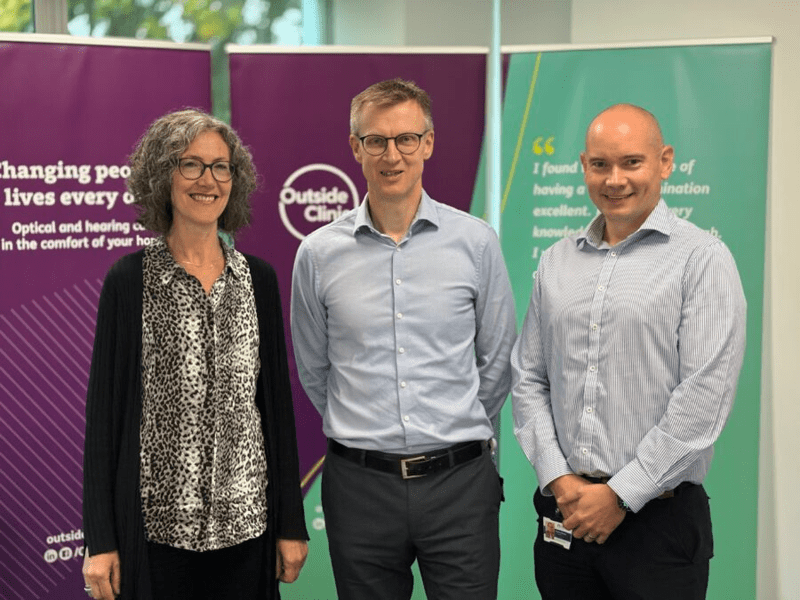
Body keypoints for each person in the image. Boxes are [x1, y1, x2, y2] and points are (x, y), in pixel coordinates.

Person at [290, 78, 516, 600]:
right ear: (356, 148)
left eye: (406, 139)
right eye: (376, 141)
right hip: (360, 488)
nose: (392, 155)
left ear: (428, 143)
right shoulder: (318, 254)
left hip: (460, 484)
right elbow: (314, 367)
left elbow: (498, 360)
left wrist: (450, 428)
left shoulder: (475, 242)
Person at [511, 103, 747, 599]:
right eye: (600, 165)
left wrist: (620, 495)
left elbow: (702, 399)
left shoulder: (701, 259)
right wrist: (557, 478)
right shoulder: (556, 261)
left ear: (664, 161)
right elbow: (529, 377)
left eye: (631, 163)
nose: (614, 179)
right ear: (583, 166)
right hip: (565, 516)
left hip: (658, 524)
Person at [82, 109, 308, 600]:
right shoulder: (130, 282)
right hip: (156, 540)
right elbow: (103, 421)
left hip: (247, 533)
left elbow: (275, 412)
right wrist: (100, 540)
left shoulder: (259, 282)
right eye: (191, 165)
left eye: (220, 166)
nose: (208, 180)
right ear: (163, 177)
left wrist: (291, 523)